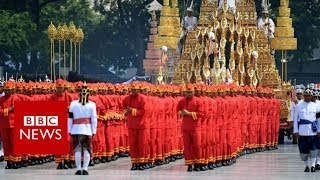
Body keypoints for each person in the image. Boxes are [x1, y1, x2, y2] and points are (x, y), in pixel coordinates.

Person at [68, 81, 97, 175]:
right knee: (86, 149)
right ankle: (85, 169)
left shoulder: (73, 104)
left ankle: (78, 168)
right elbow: (94, 119)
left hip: (75, 129)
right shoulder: (92, 104)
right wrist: (94, 130)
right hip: (87, 129)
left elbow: (70, 118)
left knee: (77, 149)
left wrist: (69, 129)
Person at [177, 83, 204, 172]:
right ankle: (189, 164)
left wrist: (188, 113)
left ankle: (198, 163)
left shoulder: (198, 101)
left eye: (190, 92)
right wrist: (181, 113)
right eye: (187, 92)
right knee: (187, 146)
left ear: (193, 92)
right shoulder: (181, 101)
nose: (189, 94)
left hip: (196, 127)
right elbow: (177, 111)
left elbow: (201, 114)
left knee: (197, 145)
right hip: (185, 128)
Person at [293, 88, 320, 172]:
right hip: (302, 132)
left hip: (313, 132)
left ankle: (312, 165)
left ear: (311, 96)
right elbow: (295, 119)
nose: (308, 97)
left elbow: (318, 119)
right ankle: (306, 166)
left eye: (309, 96)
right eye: (306, 96)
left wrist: (319, 130)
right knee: (303, 150)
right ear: (304, 96)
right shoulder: (298, 106)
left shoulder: (316, 106)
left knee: (314, 149)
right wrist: (295, 131)